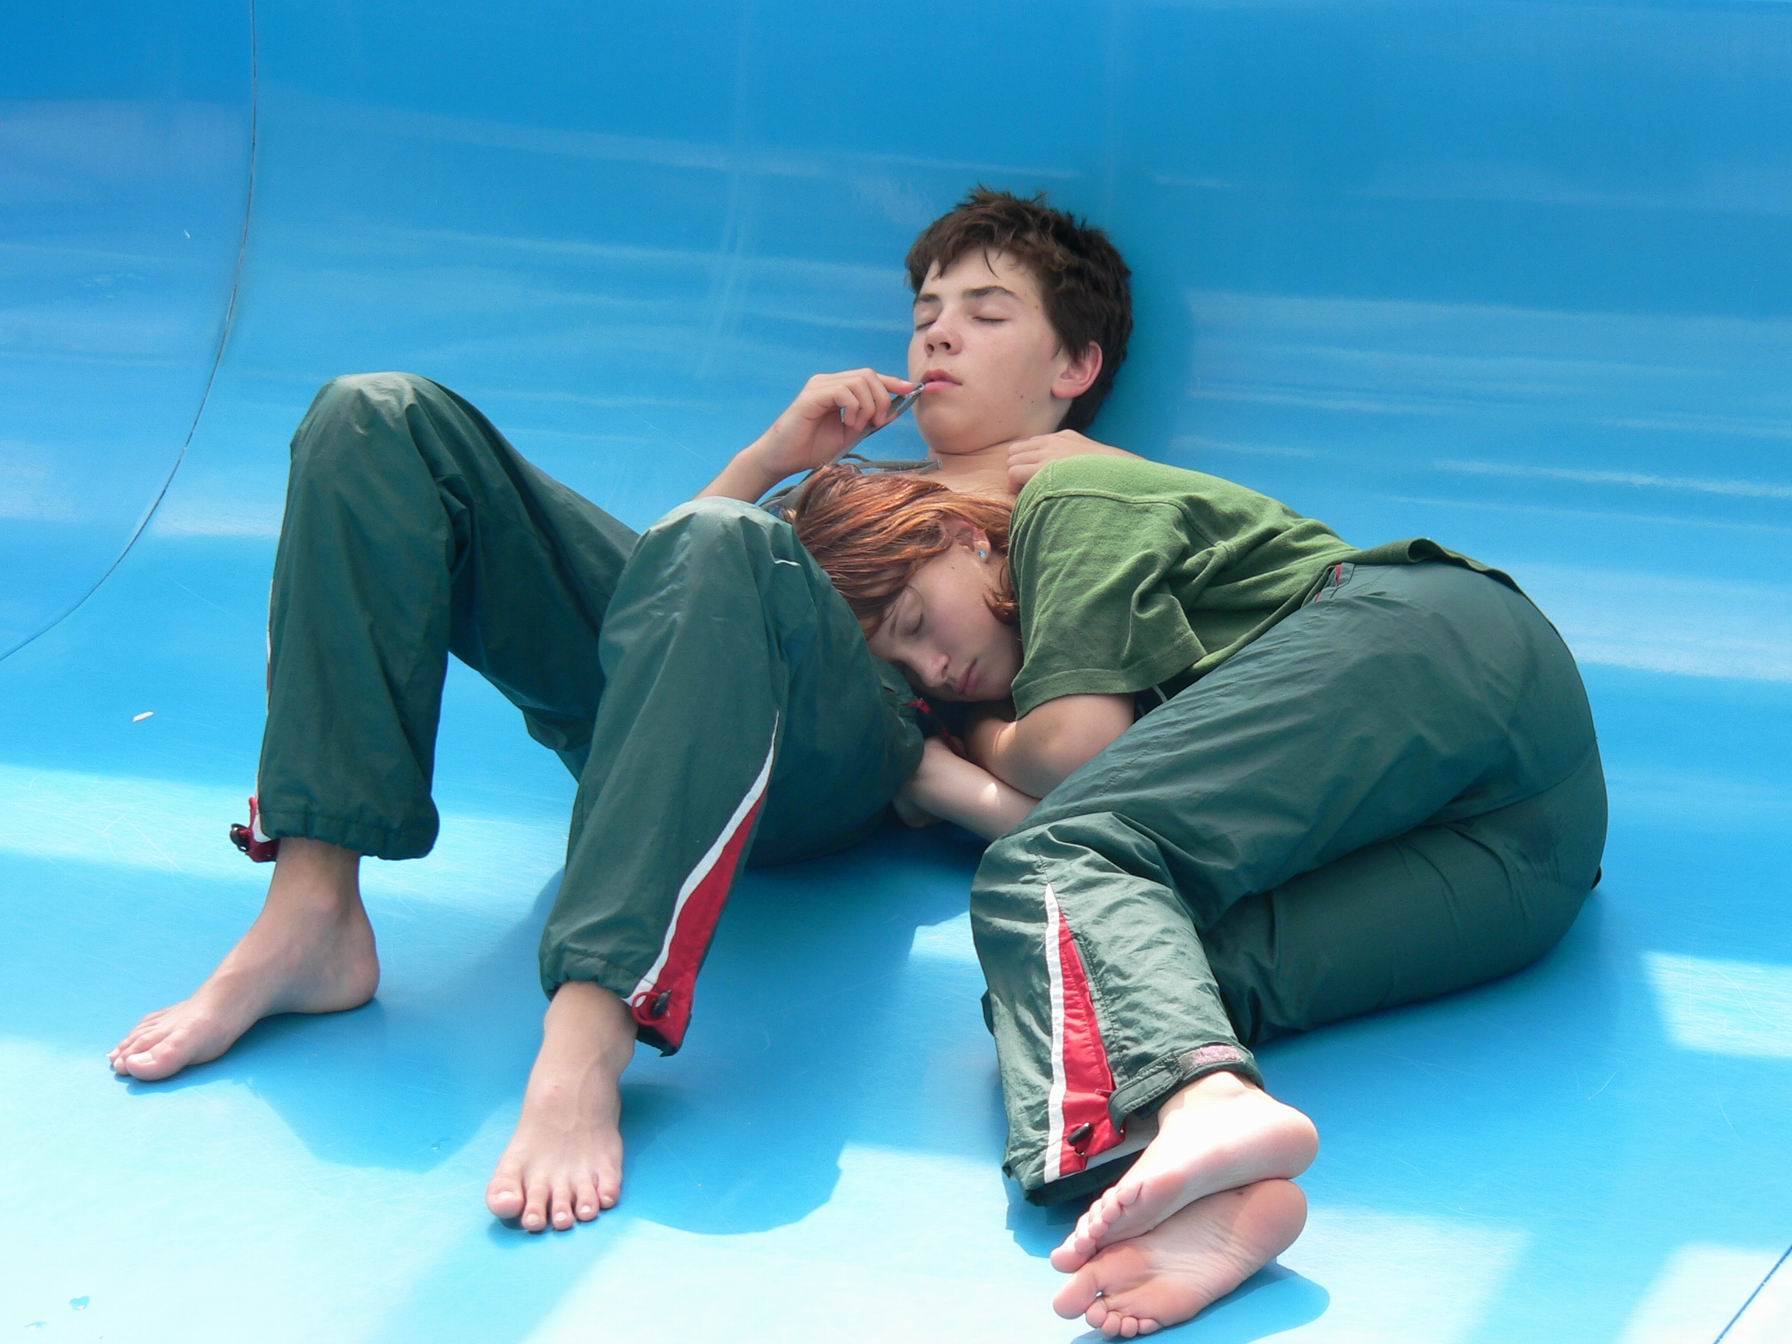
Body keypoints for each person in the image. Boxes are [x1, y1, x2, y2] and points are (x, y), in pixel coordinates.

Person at [104, 187, 1145, 1236]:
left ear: (1074, 367)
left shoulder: (1086, 499)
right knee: (374, 417)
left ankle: (590, 1033)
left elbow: (1089, 731)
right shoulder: (852, 487)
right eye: (925, 316)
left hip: (826, 767)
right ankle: (312, 911)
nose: (940, 335)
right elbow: (665, 589)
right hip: (665, 715)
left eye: (986, 314)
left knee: (730, 542)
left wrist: (944, 761)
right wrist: (772, 459)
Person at [786, 455, 1608, 1335]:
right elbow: (1094, 857)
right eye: (905, 669)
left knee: (1047, 875)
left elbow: (1071, 763)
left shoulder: (1067, 506)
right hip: (1522, 866)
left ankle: (1212, 1108)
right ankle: (1208, 1196)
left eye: (915, 621)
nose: (935, 667)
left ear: (961, 535)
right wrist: (954, 772)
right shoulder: (1019, 690)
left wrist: (964, 752)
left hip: (1442, 647)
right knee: (1094, 984)